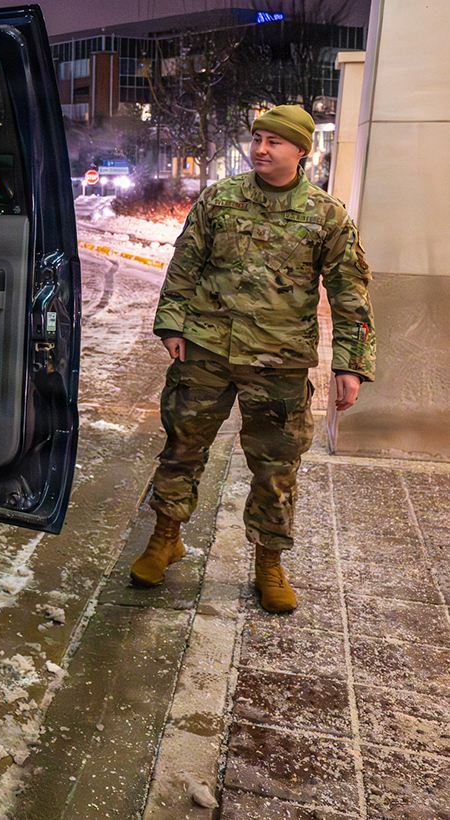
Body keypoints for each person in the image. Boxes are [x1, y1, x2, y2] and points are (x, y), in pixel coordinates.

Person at [130, 104, 376, 613]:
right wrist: (173, 323)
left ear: (302, 151)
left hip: (279, 363)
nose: (260, 149)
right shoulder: (219, 200)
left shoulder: (326, 216)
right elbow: (185, 264)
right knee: (182, 448)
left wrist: (349, 364)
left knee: (275, 467)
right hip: (205, 351)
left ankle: (268, 562)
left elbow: (352, 294)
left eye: (274, 141)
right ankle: (165, 537)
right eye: (258, 138)